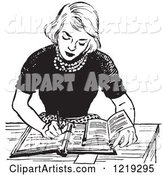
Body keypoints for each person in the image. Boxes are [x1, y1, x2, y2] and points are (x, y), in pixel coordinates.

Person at [12, 2, 137, 148]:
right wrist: (42, 127)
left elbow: (122, 102)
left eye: (81, 42)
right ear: (57, 31)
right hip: (49, 129)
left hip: (85, 128)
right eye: (66, 37)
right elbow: (19, 104)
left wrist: (126, 126)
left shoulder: (101, 62)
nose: (72, 46)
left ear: (90, 41)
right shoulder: (38, 59)